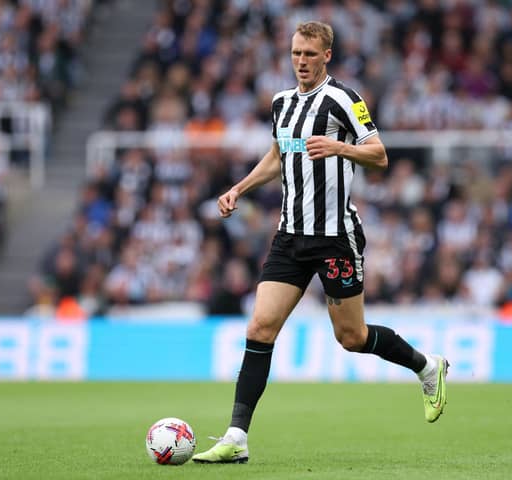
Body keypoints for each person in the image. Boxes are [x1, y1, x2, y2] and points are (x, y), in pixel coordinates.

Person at [192, 21, 449, 465]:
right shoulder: (281, 102)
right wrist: (240, 188)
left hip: (335, 238)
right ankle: (237, 436)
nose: (301, 62)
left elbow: (380, 154)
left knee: (351, 336)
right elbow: (278, 155)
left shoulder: (345, 100)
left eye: (310, 54)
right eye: (295, 54)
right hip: (290, 235)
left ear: (326, 55)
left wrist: (339, 148)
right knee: (259, 328)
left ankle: (427, 367)